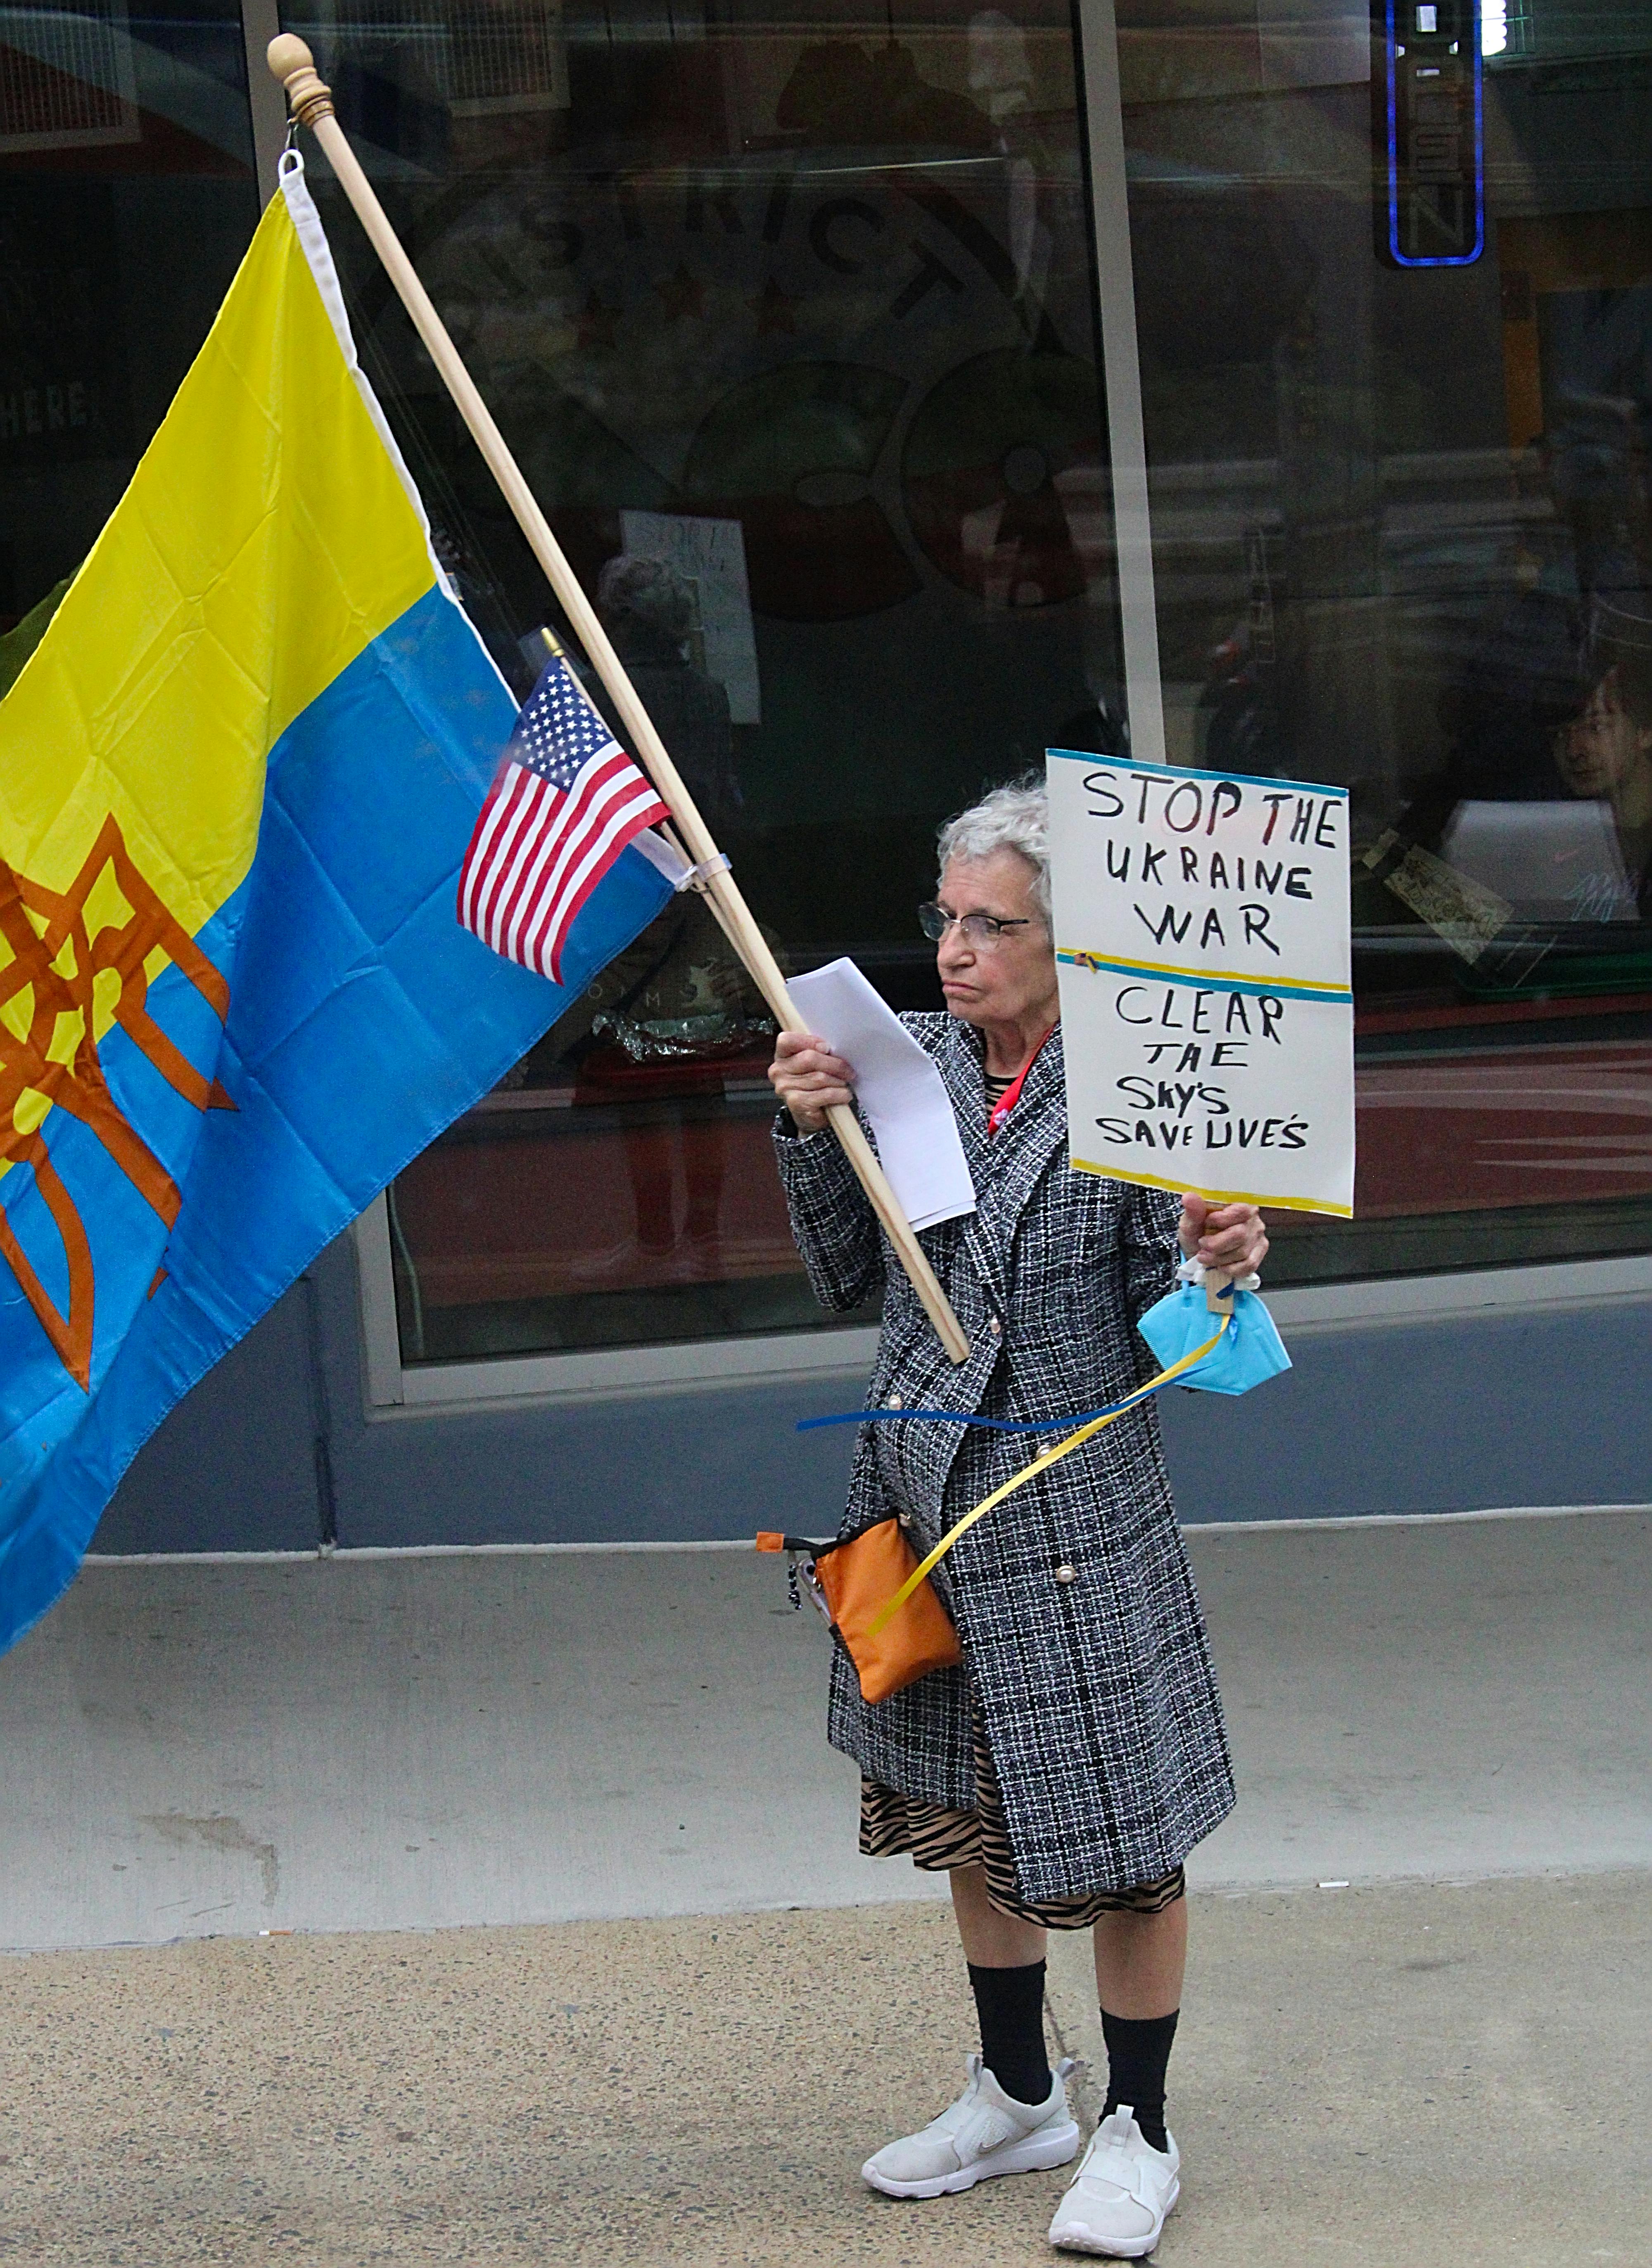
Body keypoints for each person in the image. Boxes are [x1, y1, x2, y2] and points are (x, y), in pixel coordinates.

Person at [768, 778, 1266, 2258]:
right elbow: (842, 1270)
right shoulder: (899, 1056)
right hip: (921, 1493)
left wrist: (1219, 1266)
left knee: (1129, 1835)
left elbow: (1174, 1338)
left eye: (996, 924)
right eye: (948, 918)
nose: (957, 949)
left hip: (1073, 1516)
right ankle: (1019, 2087)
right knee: (966, 1814)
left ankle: (1143, 2125)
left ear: (1074, 937)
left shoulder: (1135, 1083)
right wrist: (810, 1126)